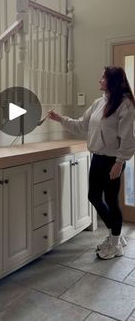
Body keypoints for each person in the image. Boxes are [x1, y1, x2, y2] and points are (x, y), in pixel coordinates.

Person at [48, 66, 135, 260]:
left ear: (111, 81)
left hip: (113, 160)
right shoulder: (98, 103)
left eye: (103, 77)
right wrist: (60, 119)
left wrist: (119, 163)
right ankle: (116, 236)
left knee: (112, 201)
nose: (99, 80)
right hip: (97, 158)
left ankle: (115, 244)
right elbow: (81, 124)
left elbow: (128, 139)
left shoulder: (125, 104)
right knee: (94, 196)